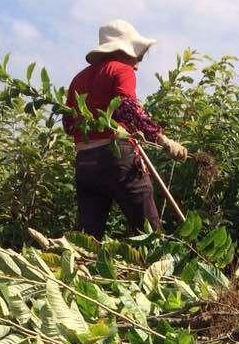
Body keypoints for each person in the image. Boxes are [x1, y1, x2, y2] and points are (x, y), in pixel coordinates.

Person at [63, 20, 189, 239]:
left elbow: (68, 124)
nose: (138, 64)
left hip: (85, 163)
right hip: (117, 157)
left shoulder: (78, 79)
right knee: (149, 232)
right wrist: (164, 141)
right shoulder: (121, 70)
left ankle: (81, 270)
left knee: (88, 238)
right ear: (123, 50)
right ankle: (158, 267)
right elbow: (129, 108)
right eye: (137, 56)